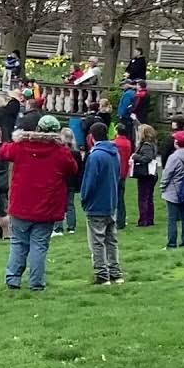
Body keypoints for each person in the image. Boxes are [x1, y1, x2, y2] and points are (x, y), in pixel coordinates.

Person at [0, 115, 78, 291]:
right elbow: (73, 168)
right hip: (47, 207)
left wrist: (20, 137)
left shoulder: (21, 146)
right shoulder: (60, 152)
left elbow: (2, 153)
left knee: (18, 243)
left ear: (38, 129)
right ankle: (36, 282)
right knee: (39, 246)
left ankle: (13, 278)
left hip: (21, 204)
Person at [81, 122, 123, 285]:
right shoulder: (115, 153)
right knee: (111, 239)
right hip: (111, 202)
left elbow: (89, 181)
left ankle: (101, 274)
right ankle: (115, 271)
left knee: (97, 241)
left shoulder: (95, 156)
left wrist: (85, 199)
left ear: (91, 137)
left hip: (97, 204)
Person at [161, 130, 184, 249]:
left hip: (173, 191)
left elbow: (167, 174)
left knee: (172, 218)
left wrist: (162, 186)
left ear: (177, 143)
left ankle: (172, 243)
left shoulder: (174, 157)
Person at [131, 125, 158, 227]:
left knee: (143, 197)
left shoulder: (146, 145)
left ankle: (144, 220)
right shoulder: (151, 144)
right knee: (148, 197)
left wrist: (135, 156)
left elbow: (147, 158)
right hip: (150, 174)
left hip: (146, 174)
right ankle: (149, 219)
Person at [112, 124, 133, 229]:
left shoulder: (115, 143)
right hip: (124, 172)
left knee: (113, 198)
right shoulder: (128, 143)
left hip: (115, 173)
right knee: (121, 198)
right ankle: (122, 220)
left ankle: (114, 219)